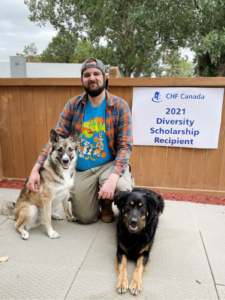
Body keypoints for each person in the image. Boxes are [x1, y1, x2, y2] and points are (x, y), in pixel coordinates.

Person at [27, 57, 134, 223]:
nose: (92, 78)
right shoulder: (73, 105)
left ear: (105, 77)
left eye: (96, 74)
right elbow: (54, 143)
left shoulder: (120, 106)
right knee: (85, 218)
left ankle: (107, 201)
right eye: (87, 74)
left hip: (109, 165)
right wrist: (35, 169)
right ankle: (95, 198)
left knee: (122, 188)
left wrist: (112, 179)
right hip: (81, 170)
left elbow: (125, 146)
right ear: (82, 80)